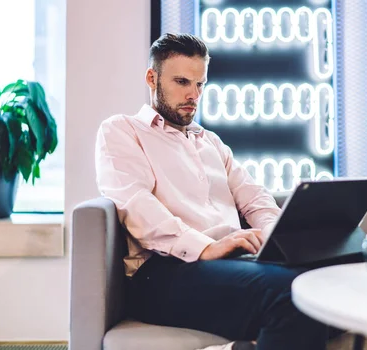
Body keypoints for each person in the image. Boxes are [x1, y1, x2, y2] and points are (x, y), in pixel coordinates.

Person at [95, 33, 336, 350]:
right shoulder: (122, 130)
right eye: (182, 82)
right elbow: (136, 205)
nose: (192, 94)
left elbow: (254, 197)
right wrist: (205, 247)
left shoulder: (210, 142)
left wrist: (277, 237)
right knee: (291, 292)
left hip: (231, 263)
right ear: (151, 78)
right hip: (161, 273)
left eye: (200, 84)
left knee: (331, 282)